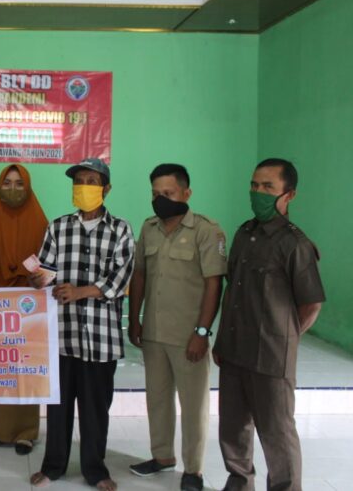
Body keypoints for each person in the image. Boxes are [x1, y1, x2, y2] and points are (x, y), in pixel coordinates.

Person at [213, 158, 324, 491]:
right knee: (232, 428)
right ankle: (239, 481)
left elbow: (311, 304)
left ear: (289, 195)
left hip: (272, 359)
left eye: (267, 187)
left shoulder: (295, 244)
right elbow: (232, 291)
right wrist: (221, 340)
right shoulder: (243, 234)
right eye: (254, 185)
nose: (257, 192)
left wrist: (282, 338)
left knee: (277, 433)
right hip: (234, 351)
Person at [29, 158, 135, 491]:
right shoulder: (58, 227)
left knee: (95, 410)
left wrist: (79, 291)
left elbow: (120, 279)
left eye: (91, 181)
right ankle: (53, 466)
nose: (84, 187)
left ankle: (95, 470)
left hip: (101, 339)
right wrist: (38, 279)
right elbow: (46, 271)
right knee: (58, 408)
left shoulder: (121, 230)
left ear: (106, 188)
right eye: (79, 181)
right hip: (61, 336)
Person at [127, 164, 226, 491]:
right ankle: (162, 456)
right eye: (155, 193)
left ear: (186, 193)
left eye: (168, 193)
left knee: (193, 405)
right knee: (157, 399)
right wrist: (135, 318)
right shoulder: (149, 228)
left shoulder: (206, 231)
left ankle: (193, 470)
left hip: (188, 336)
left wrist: (202, 332)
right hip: (154, 333)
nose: (160, 199)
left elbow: (214, 284)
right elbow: (139, 274)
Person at [0, 164, 49, 455]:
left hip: (27, 312)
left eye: (19, 183)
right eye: (7, 183)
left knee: (24, 368)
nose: (13, 189)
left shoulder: (41, 224)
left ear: (28, 186)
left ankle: (25, 432)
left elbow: (48, 266)